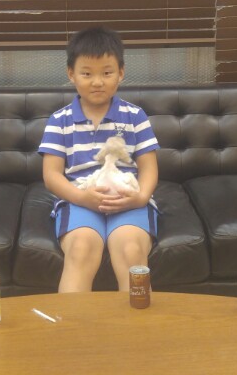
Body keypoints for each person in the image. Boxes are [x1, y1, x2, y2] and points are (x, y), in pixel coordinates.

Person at [39, 27, 160, 293]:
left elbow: (149, 168)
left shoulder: (135, 115)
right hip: (79, 199)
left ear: (121, 73)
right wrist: (82, 198)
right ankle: (73, 320)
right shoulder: (59, 120)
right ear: (71, 74)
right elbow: (51, 175)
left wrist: (140, 198)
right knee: (81, 249)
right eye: (87, 73)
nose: (97, 82)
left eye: (106, 73)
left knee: (131, 250)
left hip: (129, 200)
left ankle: (140, 320)